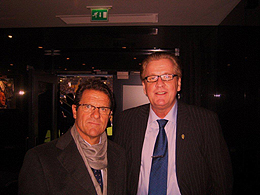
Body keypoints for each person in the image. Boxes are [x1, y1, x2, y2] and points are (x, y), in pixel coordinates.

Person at [114, 52, 233, 195]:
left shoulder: (205, 121)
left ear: (178, 83)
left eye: (167, 76)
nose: (160, 84)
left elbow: (221, 181)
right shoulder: (126, 121)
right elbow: (117, 175)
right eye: (152, 78)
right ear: (144, 87)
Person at [19, 79, 126, 195]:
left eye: (103, 109)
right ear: (75, 111)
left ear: (110, 115)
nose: (96, 115)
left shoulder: (119, 155)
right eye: (88, 107)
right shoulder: (40, 159)